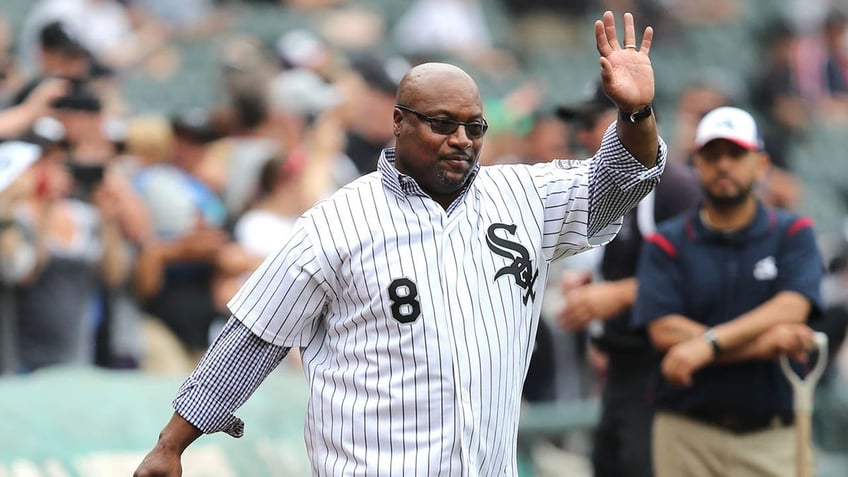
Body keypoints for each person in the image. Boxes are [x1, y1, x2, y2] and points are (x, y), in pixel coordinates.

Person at [134, 11, 666, 476]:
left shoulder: (522, 194)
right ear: (397, 122)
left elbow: (625, 176)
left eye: (474, 127)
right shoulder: (338, 221)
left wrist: (636, 115)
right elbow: (254, 338)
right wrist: (171, 445)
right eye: (442, 124)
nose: (461, 140)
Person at [631, 106, 825, 477]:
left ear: (762, 164)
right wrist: (762, 344)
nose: (723, 165)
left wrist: (707, 345)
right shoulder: (666, 242)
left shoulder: (793, 232)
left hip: (771, 435)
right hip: (687, 432)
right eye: (712, 155)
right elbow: (664, 330)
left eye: (736, 154)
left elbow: (792, 307)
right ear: (696, 163)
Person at [555, 80, 702, 477]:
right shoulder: (601, 190)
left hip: (662, 368)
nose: (583, 136)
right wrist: (596, 299)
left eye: (592, 122)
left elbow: (705, 277)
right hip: (621, 368)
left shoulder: (675, 187)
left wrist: (618, 297)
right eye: (579, 125)